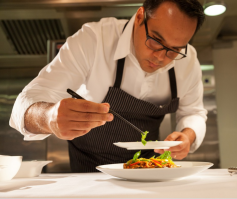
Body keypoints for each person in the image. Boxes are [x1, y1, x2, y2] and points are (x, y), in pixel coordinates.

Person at [10, 0, 207, 172]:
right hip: (89, 172)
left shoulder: (188, 60)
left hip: (149, 171)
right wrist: (48, 117)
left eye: (174, 50)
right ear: (139, 17)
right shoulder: (94, 39)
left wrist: (187, 136)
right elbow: (23, 104)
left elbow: (194, 112)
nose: (161, 57)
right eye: (155, 41)